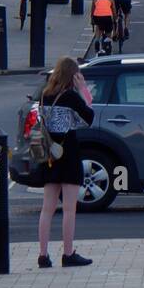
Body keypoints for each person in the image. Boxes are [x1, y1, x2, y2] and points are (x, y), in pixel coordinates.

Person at [35, 57, 94, 267]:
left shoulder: (45, 94)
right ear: (73, 75)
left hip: (49, 153)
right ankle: (68, 253)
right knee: (69, 208)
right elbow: (89, 115)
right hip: (68, 151)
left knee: (47, 207)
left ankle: (43, 255)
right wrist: (83, 88)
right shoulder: (70, 96)